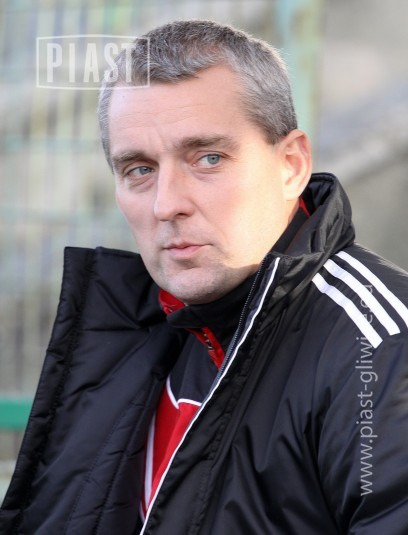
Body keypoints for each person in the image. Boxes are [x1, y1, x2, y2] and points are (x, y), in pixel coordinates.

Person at [1, 19, 408, 535]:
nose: (167, 204)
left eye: (208, 158)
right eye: (139, 169)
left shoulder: (383, 350)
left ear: (291, 164)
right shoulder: (131, 331)